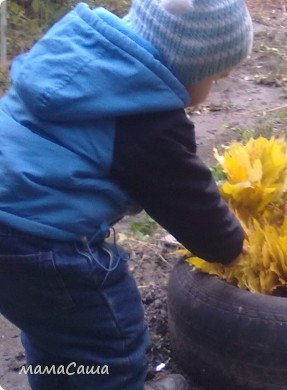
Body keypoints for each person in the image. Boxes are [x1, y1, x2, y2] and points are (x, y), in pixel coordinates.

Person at [0, 0, 253, 388]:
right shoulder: (144, 117)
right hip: (43, 246)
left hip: (11, 225)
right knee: (109, 343)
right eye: (216, 77)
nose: (214, 87)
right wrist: (230, 246)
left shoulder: (73, 56)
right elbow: (186, 199)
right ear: (187, 70)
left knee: (52, 326)